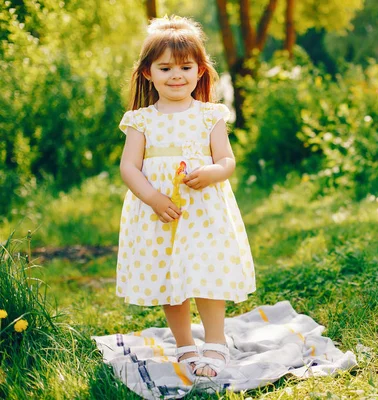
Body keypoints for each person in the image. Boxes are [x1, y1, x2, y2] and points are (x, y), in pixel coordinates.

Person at [116, 15, 255, 378]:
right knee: (170, 277)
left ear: (199, 71)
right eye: (165, 68)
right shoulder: (141, 120)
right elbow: (129, 167)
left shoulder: (210, 115)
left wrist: (212, 172)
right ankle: (185, 345)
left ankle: (215, 342)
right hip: (160, 213)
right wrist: (152, 197)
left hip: (204, 212)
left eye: (185, 67)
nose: (176, 75)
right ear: (148, 73)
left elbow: (227, 160)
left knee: (208, 274)